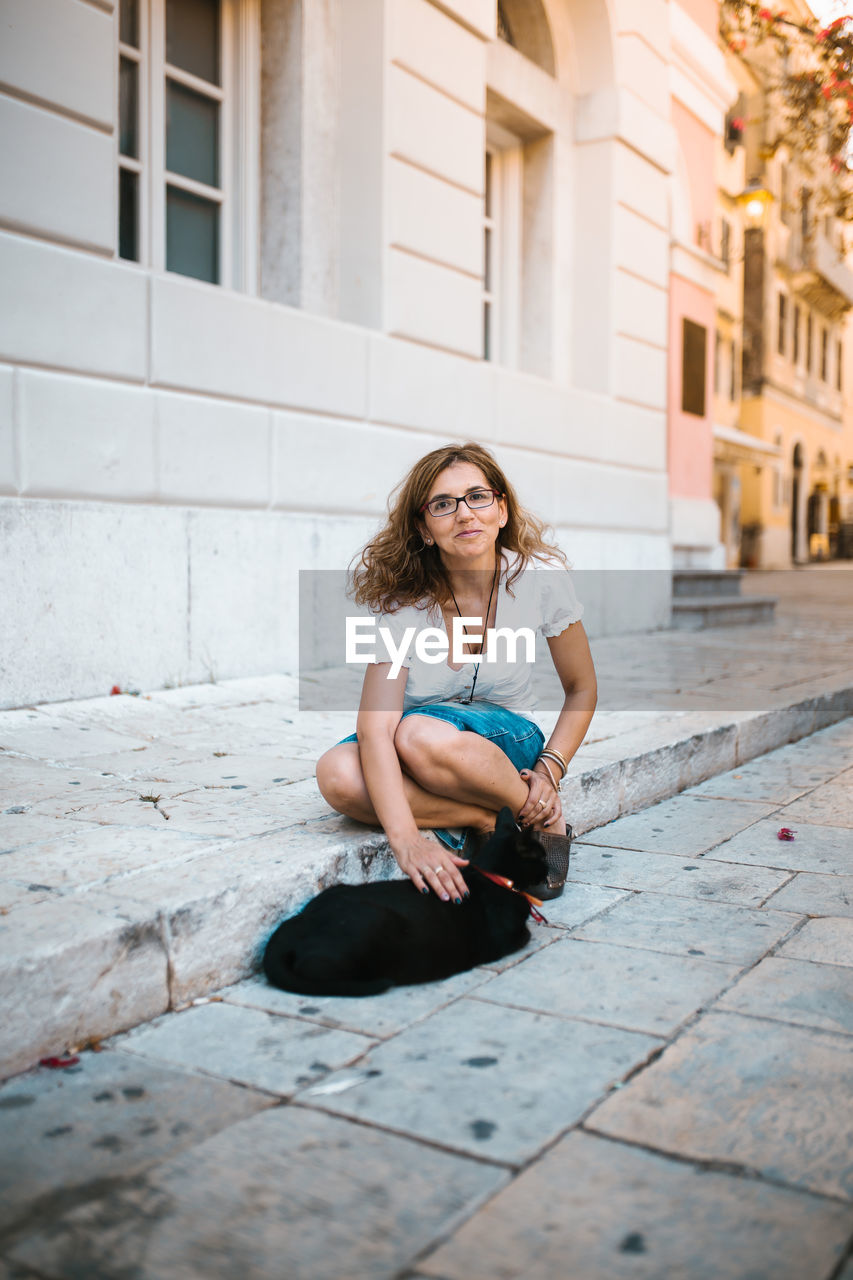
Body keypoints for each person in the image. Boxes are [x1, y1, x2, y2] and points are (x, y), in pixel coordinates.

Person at [316, 442, 597, 905]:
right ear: (424, 529)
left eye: (478, 497)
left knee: (417, 733)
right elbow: (375, 725)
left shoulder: (540, 577)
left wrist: (550, 769)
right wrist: (406, 839)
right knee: (338, 774)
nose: (465, 514)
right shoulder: (404, 603)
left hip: (508, 748)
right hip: (423, 741)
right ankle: (486, 821)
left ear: (502, 510)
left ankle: (545, 821)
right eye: (443, 505)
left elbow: (582, 687)